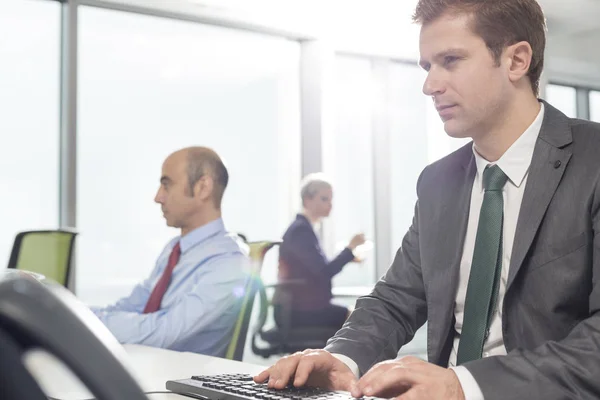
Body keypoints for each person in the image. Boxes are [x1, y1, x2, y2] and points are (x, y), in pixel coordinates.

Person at [255, 0, 600, 399]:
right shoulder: (437, 182)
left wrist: (464, 386)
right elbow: (397, 297)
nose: (429, 85)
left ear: (517, 61)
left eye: (450, 60)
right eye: (426, 67)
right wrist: (341, 357)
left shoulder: (593, 161)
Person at [91, 147, 250, 357]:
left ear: (203, 187)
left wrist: (88, 322)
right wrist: (77, 314)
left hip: (175, 381)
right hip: (145, 366)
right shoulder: (174, 250)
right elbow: (135, 304)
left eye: (167, 185)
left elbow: (165, 332)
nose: (158, 197)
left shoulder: (230, 262)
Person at [272, 173, 365, 331]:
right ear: (308, 200)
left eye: (330, 199)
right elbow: (324, 272)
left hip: (304, 307)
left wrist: (348, 256)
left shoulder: (303, 229)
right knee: (361, 321)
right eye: (324, 199)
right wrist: (350, 248)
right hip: (300, 311)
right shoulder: (300, 231)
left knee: (359, 319)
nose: (330, 205)